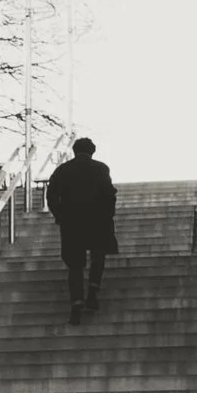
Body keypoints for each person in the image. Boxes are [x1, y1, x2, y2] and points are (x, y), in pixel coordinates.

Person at [44, 137, 119, 325]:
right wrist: (108, 215)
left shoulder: (62, 170)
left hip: (72, 223)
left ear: (74, 151)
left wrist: (60, 215)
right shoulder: (101, 168)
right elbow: (109, 194)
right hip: (97, 220)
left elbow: (51, 195)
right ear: (92, 151)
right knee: (98, 256)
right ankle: (93, 291)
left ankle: (76, 303)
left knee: (75, 265)